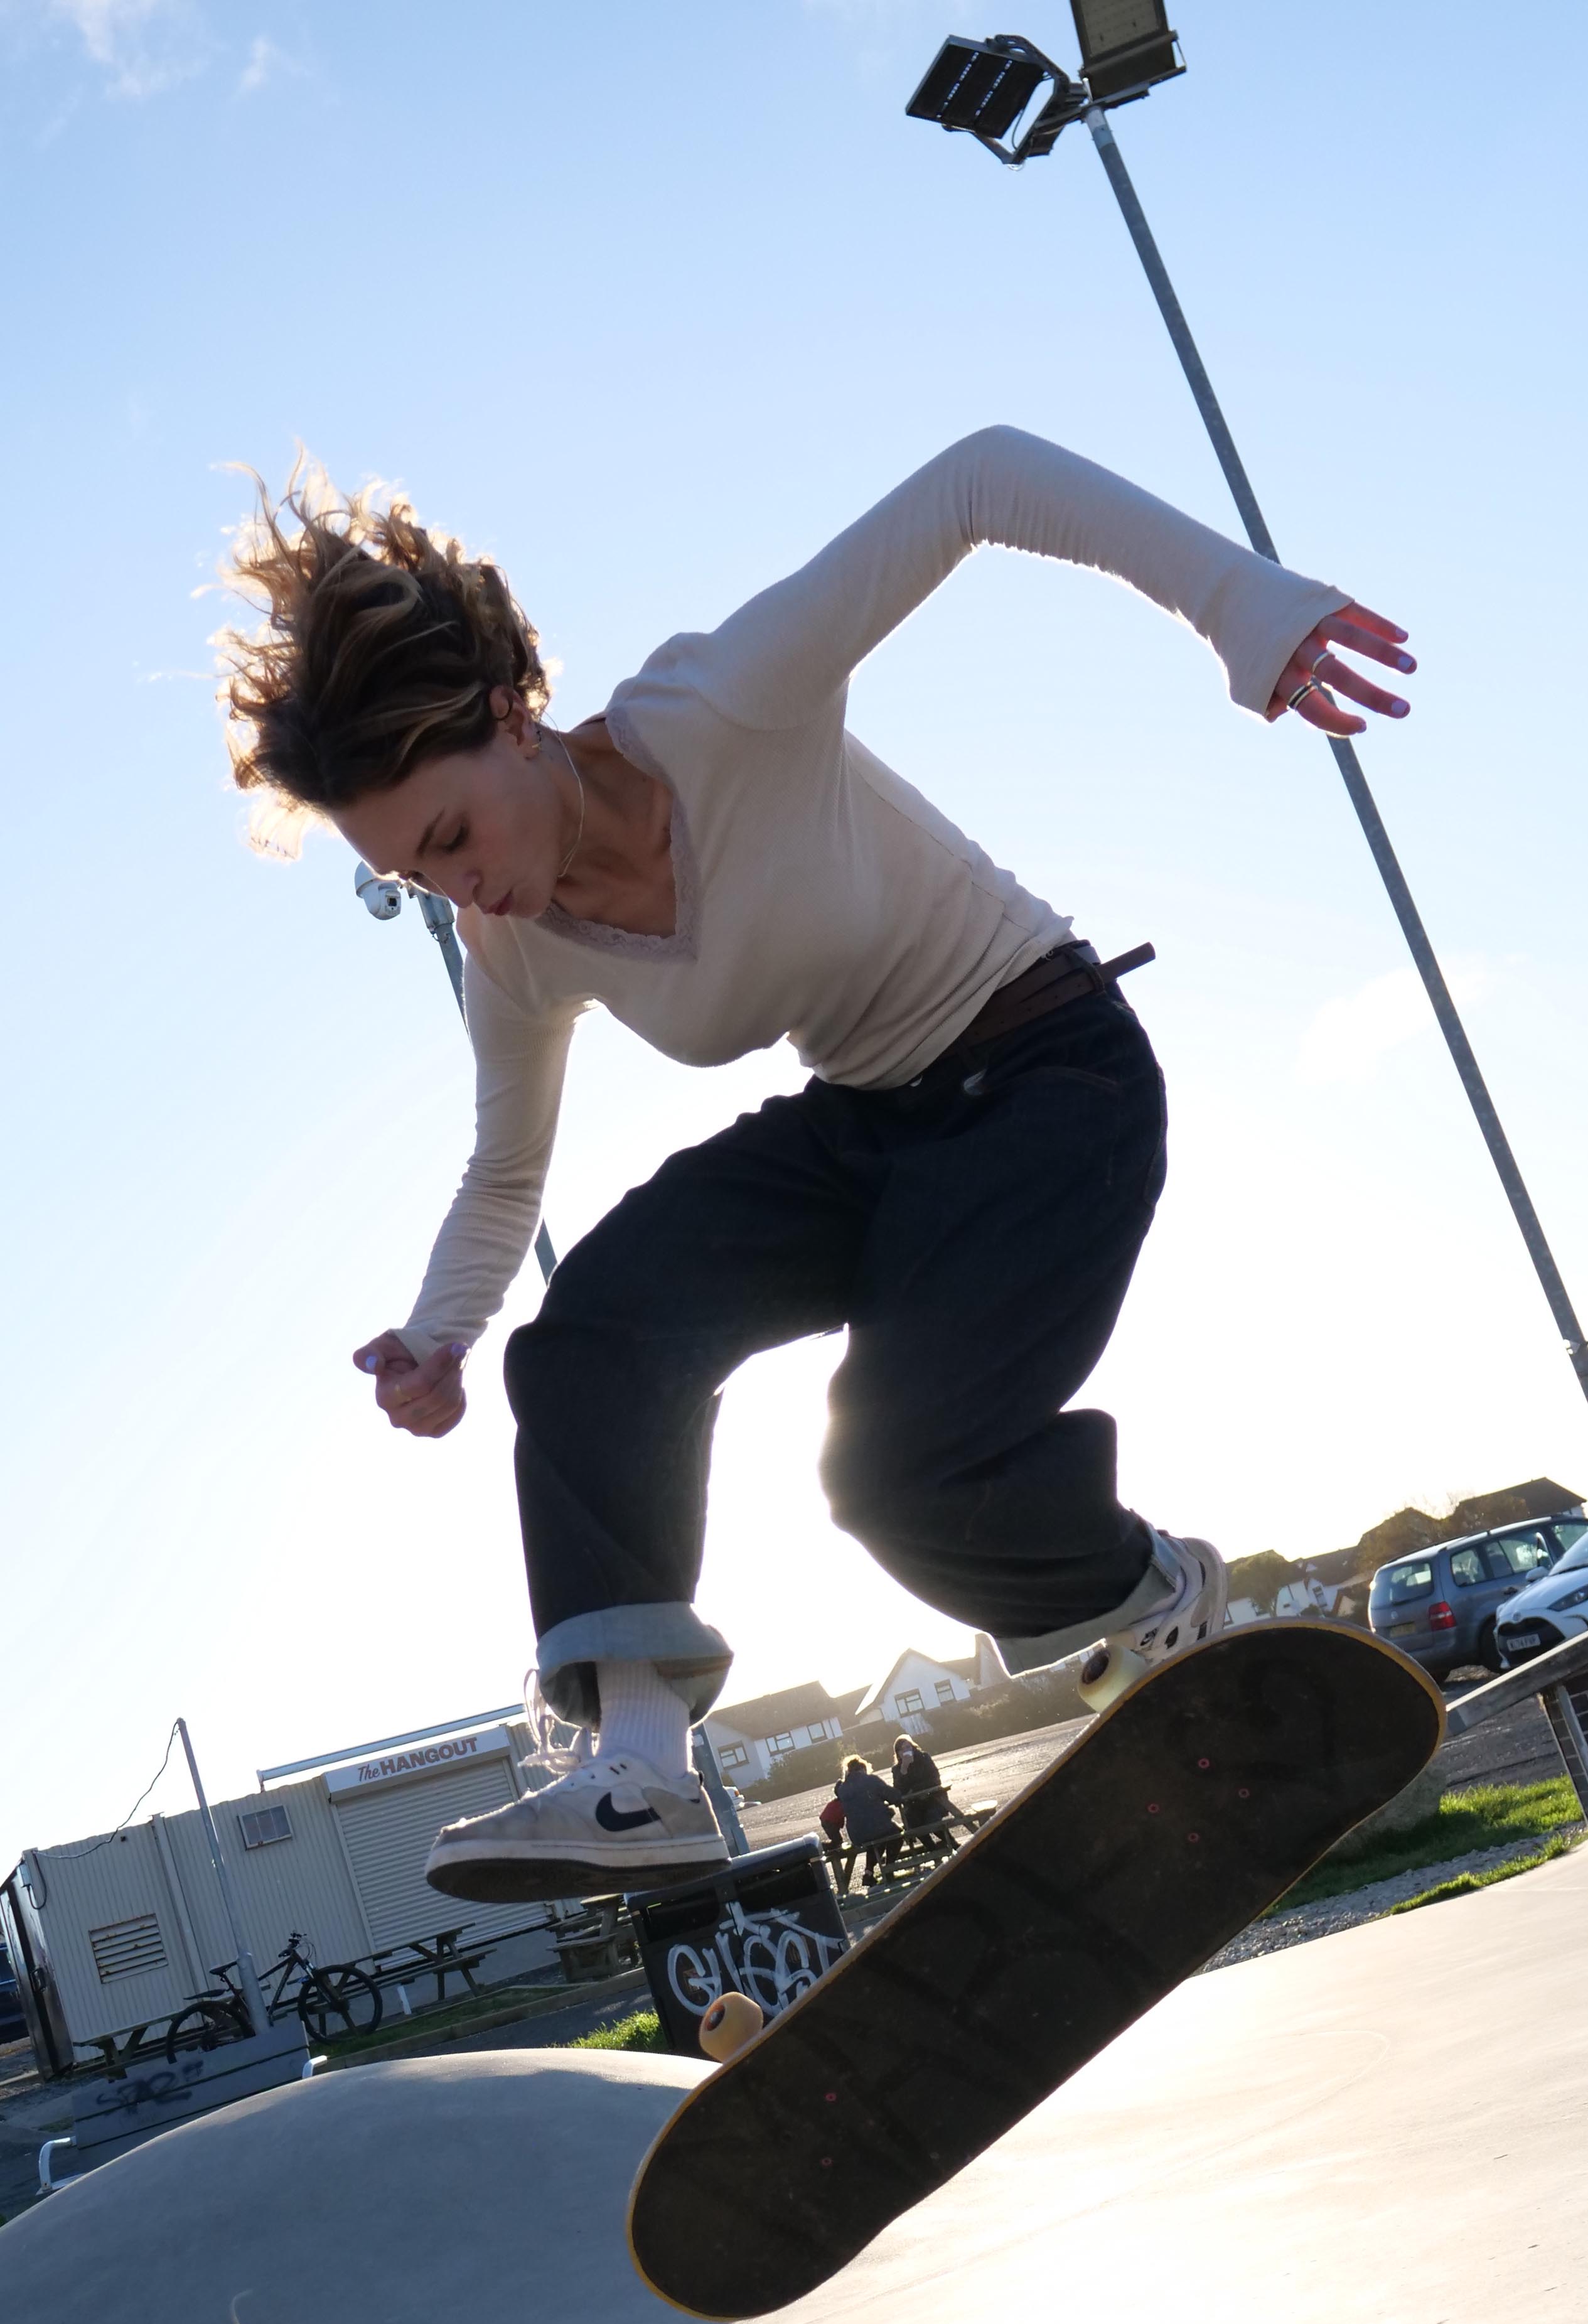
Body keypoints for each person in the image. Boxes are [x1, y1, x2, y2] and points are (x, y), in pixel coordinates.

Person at [220, 428, 1414, 1899]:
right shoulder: (510, 950)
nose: (461, 887)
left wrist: (1241, 607)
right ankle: (638, 1772)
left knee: (893, 1475)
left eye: (453, 835)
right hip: (869, 1121)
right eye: (415, 874)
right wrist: (437, 1332)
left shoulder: (725, 703)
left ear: (511, 720)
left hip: (1048, 1078)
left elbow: (980, 480)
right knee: (597, 1326)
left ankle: (1144, 1593)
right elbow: (504, 1172)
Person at [831, 1755, 900, 1894]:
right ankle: (889, 1869)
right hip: (878, 1827)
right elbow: (895, 1797)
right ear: (863, 1768)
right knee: (897, 1834)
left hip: (857, 1835)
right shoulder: (871, 1780)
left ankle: (869, 1873)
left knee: (875, 1840)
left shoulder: (843, 1789)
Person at [891, 1734, 950, 1837]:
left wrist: (915, 1789)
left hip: (934, 1799)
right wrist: (904, 1769)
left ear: (913, 1747)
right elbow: (898, 1791)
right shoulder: (897, 1769)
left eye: (908, 1747)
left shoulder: (924, 1758)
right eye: (902, 1749)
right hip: (914, 1805)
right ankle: (931, 1846)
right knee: (912, 1824)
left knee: (932, 1820)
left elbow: (935, 1779)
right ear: (898, 1754)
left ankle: (952, 1842)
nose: (906, 1751)